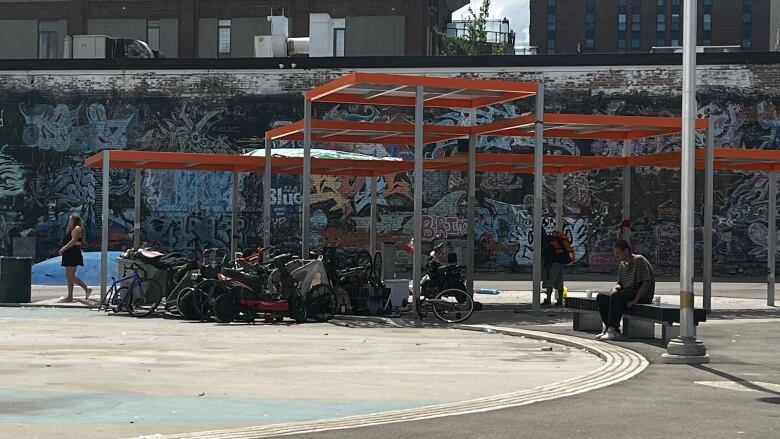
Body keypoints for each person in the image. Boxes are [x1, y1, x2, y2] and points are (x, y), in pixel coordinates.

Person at [596, 240, 655, 341]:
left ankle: (612, 329)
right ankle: (610, 329)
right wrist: (616, 288)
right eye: (615, 253)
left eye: (618, 253)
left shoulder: (639, 260)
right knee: (601, 297)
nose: (616, 256)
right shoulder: (622, 265)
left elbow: (646, 282)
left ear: (626, 251)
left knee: (617, 297)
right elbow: (621, 283)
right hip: (627, 293)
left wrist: (635, 300)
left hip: (640, 293)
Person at [58, 214, 92, 302]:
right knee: (68, 276)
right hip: (69, 252)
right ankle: (70, 296)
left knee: (70, 276)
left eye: (70, 220)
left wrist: (63, 249)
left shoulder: (77, 228)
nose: (69, 222)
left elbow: (73, 241)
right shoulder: (70, 229)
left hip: (73, 252)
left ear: (75, 220)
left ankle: (86, 288)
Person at [541, 231, 573, 307]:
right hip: (561, 263)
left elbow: (545, 253)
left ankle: (548, 300)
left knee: (549, 282)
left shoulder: (547, 241)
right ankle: (560, 300)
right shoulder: (560, 241)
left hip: (552, 263)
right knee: (559, 282)